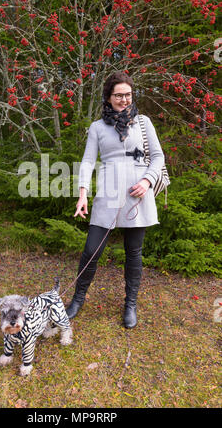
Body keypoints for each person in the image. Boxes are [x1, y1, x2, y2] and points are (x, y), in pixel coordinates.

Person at [66, 71, 165, 328]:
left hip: (137, 197)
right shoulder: (98, 128)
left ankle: (130, 304)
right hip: (107, 196)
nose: (124, 100)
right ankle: (77, 299)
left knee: (134, 253)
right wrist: (83, 194)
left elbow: (158, 157)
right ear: (108, 97)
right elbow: (88, 162)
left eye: (128, 95)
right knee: (91, 250)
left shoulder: (143, 122)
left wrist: (147, 181)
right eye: (118, 95)